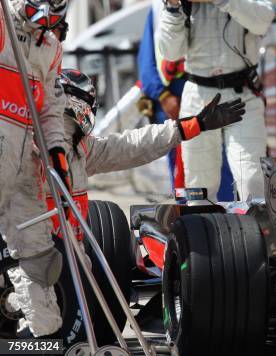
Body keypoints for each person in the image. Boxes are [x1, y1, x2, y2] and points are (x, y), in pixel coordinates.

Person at [47, 69, 245, 240]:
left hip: (72, 249)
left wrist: (193, 125)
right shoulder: (33, 150)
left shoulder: (81, 148)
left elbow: (133, 145)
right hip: (42, 255)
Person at [158, 0, 275, 201]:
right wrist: (172, 6)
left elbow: (264, 21)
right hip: (197, 95)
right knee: (199, 185)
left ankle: (256, 236)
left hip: (242, 95)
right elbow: (170, 52)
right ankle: (201, 236)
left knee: (252, 178)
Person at [0, 0, 73, 338]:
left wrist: (57, 154)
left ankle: (41, 339)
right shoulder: (1, 20)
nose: (50, 0)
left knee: (40, 259)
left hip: (27, 156)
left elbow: (52, 110)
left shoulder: (51, 47)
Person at [138, 0, 186, 190]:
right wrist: (163, 96)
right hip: (169, 103)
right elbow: (146, 59)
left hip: (207, 98)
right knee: (177, 172)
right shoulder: (158, 5)